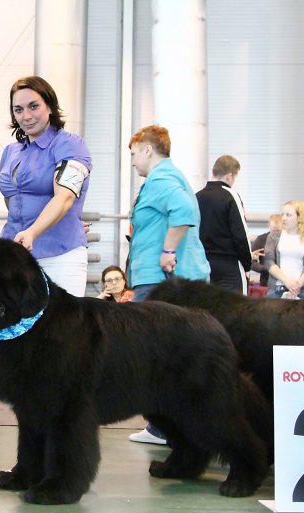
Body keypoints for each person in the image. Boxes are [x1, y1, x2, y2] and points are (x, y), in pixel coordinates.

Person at [126, 124, 210, 446]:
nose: (132, 161)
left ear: (148, 150)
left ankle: (164, 428)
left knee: (153, 356)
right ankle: (165, 427)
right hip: (165, 280)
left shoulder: (161, 178)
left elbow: (184, 212)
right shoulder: (169, 178)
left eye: (134, 154)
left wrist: (167, 251)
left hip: (162, 281)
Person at [0, 76, 92, 296]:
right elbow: (13, 199)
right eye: (18, 110)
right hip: (15, 256)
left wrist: (31, 232)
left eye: (33, 106)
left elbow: (65, 198)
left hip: (61, 254)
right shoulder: (11, 152)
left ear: (49, 106)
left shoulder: (70, 144)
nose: (26, 116)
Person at [196, 155, 252, 294]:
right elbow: (241, 234)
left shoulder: (197, 197)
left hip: (203, 263)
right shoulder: (230, 195)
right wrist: (247, 264)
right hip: (229, 265)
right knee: (238, 311)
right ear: (229, 176)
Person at [264, 200, 304, 300]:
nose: (283, 218)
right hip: (277, 289)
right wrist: (286, 281)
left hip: (301, 291)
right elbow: (268, 261)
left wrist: (298, 285)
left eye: (288, 215)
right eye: (283, 214)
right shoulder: (273, 236)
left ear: (299, 217)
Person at [250, 213, 282, 287]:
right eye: (274, 230)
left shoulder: (289, 240)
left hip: (285, 281)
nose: (276, 233)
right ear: (269, 226)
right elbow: (251, 263)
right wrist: (267, 269)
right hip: (266, 281)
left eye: (279, 231)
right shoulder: (261, 240)